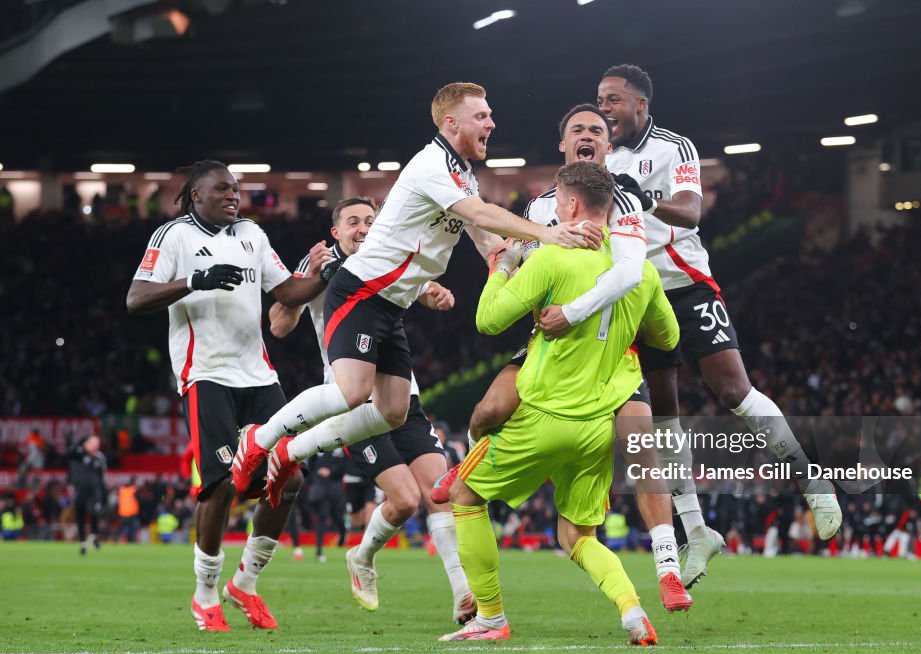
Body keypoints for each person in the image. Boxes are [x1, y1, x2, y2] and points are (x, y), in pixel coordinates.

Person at [232, 82, 601, 514]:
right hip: (363, 290)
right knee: (352, 393)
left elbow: (484, 236)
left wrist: (514, 266)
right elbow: (479, 214)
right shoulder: (431, 164)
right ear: (451, 122)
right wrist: (546, 231)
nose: (491, 123)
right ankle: (259, 440)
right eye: (481, 116)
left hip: (392, 306)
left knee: (391, 412)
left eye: (490, 115)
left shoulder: (462, 173)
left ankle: (288, 454)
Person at [583, 64, 841, 584]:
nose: (604, 109)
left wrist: (643, 195)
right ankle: (697, 532)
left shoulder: (675, 147)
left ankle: (810, 478)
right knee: (664, 415)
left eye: (612, 100)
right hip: (637, 295)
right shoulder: (601, 159)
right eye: (599, 100)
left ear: (640, 104)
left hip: (685, 284)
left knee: (732, 388)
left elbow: (692, 210)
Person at [443, 103, 691, 611]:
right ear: (563, 146)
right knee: (488, 410)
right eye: (577, 129)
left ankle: (668, 567)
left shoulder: (624, 204)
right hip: (548, 337)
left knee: (642, 445)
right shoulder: (539, 208)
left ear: (609, 146)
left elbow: (627, 275)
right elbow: (517, 258)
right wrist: (509, 256)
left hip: (608, 346)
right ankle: (468, 462)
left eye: (597, 131)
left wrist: (572, 310)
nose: (587, 135)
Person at [126, 159, 334, 632]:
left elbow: (287, 290)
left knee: (291, 478)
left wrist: (328, 269)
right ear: (195, 195)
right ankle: (204, 595)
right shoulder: (172, 236)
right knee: (220, 485)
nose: (232, 196)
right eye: (221, 189)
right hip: (206, 374)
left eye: (236, 189)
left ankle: (245, 583)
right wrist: (194, 280)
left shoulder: (252, 235)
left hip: (258, 374)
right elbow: (136, 298)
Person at [267, 197, 476, 623]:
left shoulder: (387, 260)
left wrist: (434, 294)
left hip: (404, 397)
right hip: (353, 404)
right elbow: (279, 325)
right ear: (336, 232)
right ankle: (361, 556)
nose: (363, 228)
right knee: (403, 500)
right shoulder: (323, 268)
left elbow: (421, 290)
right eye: (354, 222)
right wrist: (307, 275)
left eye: (370, 220)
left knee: (440, 491)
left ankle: (462, 596)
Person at [66, 434, 107, 556]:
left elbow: (101, 476)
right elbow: (70, 453)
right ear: (86, 443)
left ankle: (94, 535)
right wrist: (81, 440)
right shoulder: (78, 454)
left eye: (97, 443)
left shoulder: (99, 457)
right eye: (94, 443)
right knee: (80, 516)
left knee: (94, 511)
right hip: (79, 490)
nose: (96, 446)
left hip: (94, 491)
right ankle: (82, 542)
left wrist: (101, 493)